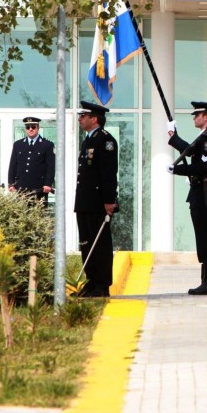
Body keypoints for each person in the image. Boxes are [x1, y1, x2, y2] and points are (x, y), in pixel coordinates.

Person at [168, 101, 207, 295]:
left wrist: (177, 169)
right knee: (205, 239)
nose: (194, 117)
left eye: (198, 114)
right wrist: (174, 137)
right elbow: (192, 150)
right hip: (204, 193)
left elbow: (203, 167)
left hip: (206, 194)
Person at [73, 102, 118, 298]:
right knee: (86, 242)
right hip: (84, 201)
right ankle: (91, 281)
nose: (80, 118)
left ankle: (101, 283)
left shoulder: (105, 141)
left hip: (99, 201)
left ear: (95, 118)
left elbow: (108, 173)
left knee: (100, 243)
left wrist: (109, 200)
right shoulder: (88, 141)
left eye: (84, 115)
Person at [7, 115, 55, 203]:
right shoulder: (18, 145)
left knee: (39, 214)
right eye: (27, 127)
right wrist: (11, 183)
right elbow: (13, 165)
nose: (30, 129)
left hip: (39, 188)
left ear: (38, 127)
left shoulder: (47, 145)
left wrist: (48, 183)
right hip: (21, 188)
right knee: (21, 215)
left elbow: (50, 166)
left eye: (33, 126)